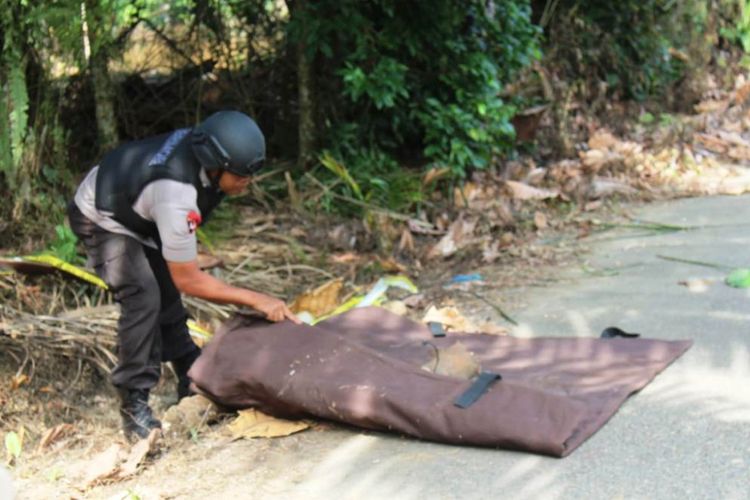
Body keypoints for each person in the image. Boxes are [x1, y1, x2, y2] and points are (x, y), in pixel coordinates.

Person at [67, 110, 300, 440]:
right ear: (215, 164)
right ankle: (134, 403)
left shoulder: (207, 152)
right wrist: (257, 299)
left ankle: (189, 372)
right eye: (241, 174)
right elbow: (188, 280)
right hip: (103, 215)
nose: (249, 181)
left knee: (164, 288)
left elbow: (177, 271)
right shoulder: (176, 192)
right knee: (143, 296)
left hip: (140, 206)